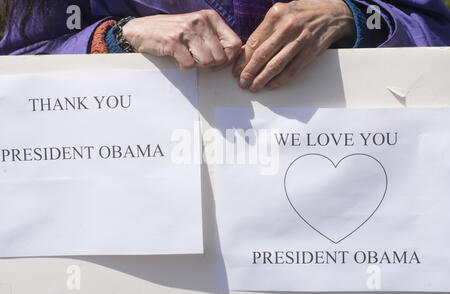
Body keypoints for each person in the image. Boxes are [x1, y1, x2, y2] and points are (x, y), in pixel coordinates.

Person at [0, 0, 449, 92]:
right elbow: (14, 72)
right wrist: (118, 37)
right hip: (137, 216)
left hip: (328, 200)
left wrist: (349, 17)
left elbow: (433, 26)